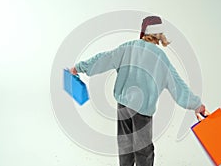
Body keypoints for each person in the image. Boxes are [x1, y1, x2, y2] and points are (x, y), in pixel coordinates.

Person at [70, 16, 209, 166]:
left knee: (125, 146)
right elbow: (178, 85)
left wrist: (79, 67)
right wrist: (196, 105)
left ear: (143, 32)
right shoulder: (160, 58)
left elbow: (104, 59)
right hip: (142, 112)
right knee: (143, 150)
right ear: (160, 34)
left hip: (123, 106)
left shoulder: (127, 48)